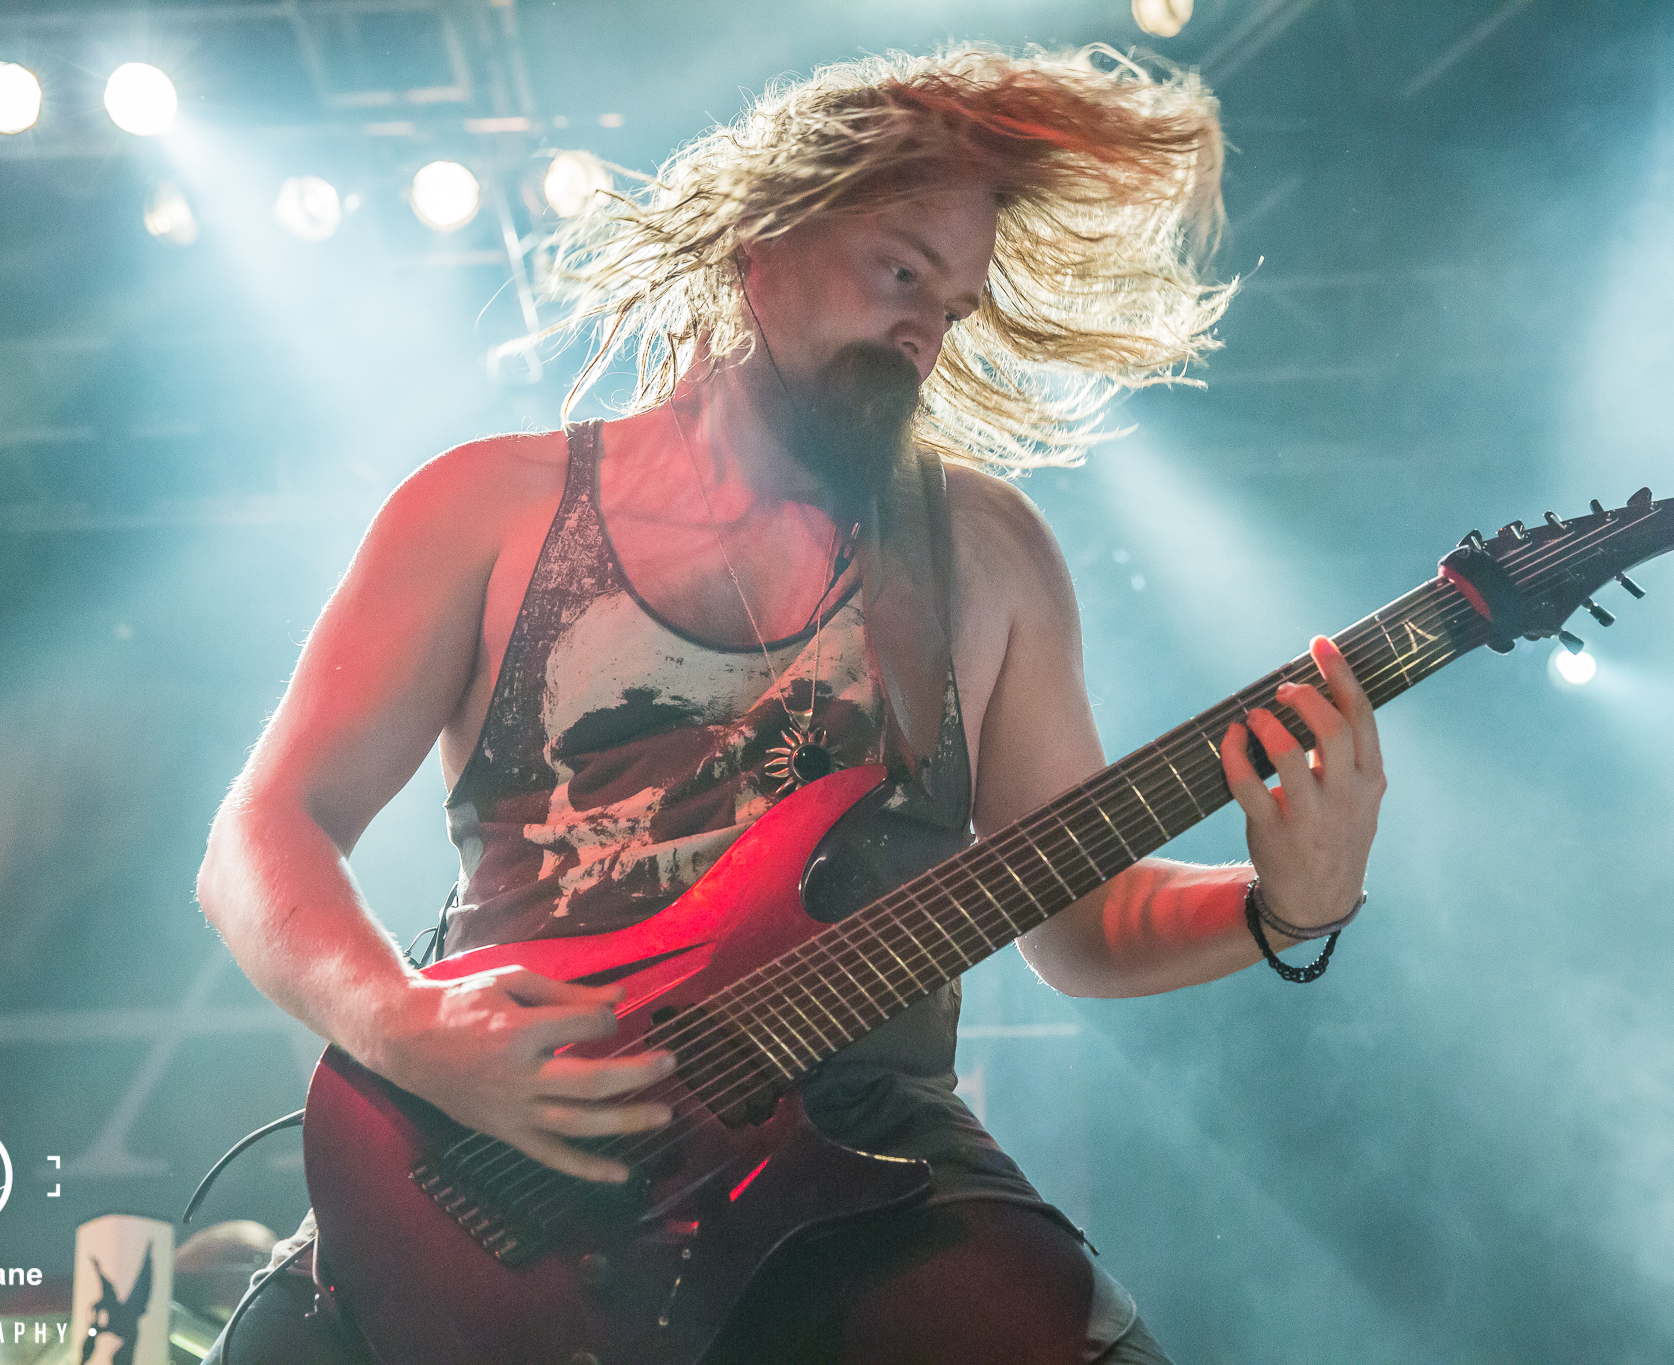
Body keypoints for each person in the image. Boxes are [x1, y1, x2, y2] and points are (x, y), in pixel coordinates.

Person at [194, 44, 1386, 1365]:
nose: (926, 331)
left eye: (954, 306)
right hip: (503, 1171)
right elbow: (266, 829)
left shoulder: (987, 554)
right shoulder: (487, 507)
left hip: (862, 1150)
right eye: (902, 273)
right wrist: (403, 1026)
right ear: (764, 241)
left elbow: (1080, 918)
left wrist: (1285, 906)